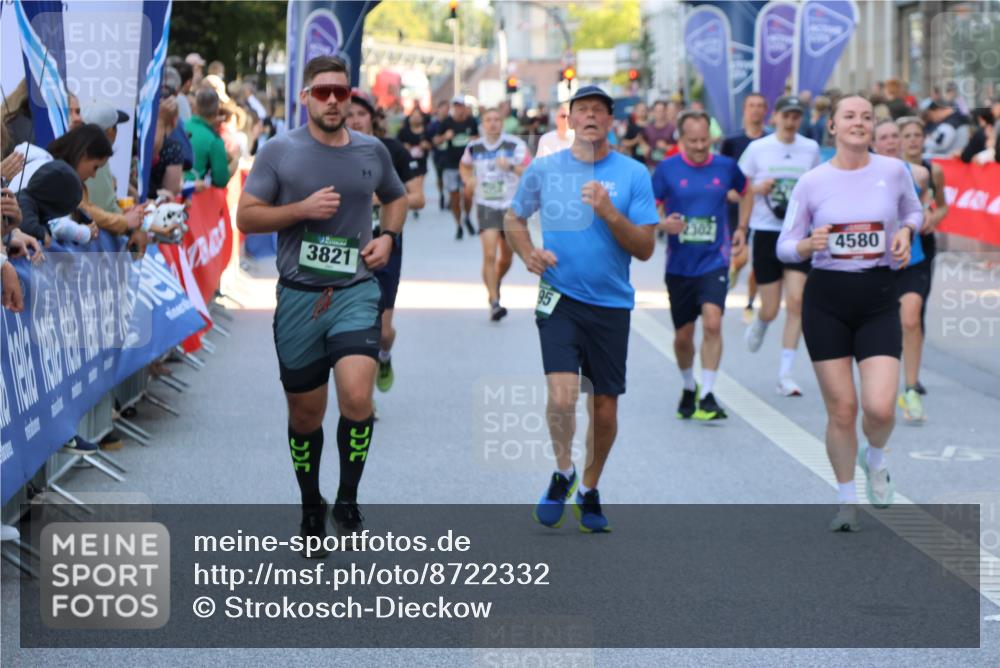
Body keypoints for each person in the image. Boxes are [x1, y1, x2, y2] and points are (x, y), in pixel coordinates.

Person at [236, 56, 407, 555]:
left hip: (355, 291)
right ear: (306, 97)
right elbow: (246, 217)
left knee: (357, 399)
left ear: (351, 97)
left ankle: (347, 499)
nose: (333, 100)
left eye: (341, 92)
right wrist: (300, 211)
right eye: (323, 92)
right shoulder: (279, 152)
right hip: (299, 297)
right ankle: (311, 502)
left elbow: (394, 197)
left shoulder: (371, 149)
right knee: (306, 414)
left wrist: (389, 236)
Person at [507, 85, 658, 533]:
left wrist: (610, 213)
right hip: (559, 299)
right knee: (561, 396)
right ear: (568, 120)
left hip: (611, 305)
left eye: (599, 110)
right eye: (582, 110)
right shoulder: (545, 169)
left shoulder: (633, 174)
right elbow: (514, 217)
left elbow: (646, 248)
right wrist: (528, 253)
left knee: (605, 409)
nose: (590, 116)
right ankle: (563, 470)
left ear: (611, 121)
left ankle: (589, 488)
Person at [777, 95, 923, 531]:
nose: (859, 122)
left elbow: (914, 210)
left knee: (879, 409)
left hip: (878, 295)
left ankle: (874, 458)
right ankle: (846, 498)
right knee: (842, 409)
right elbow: (785, 244)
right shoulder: (812, 182)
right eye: (850, 117)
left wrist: (908, 231)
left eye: (866, 117)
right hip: (828, 299)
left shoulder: (893, 172)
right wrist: (808, 245)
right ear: (834, 128)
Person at [653, 110, 750, 421]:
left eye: (704, 140)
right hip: (679, 265)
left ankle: (707, 393)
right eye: (692, 141)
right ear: (681, 139)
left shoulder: (725, 166)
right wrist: (662, 224)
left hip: (715, 259)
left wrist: (741, 229)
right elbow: (649, 208)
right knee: (683, 335)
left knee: (712, 322)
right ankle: (687, 385)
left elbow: (747, 192)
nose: (699, 146)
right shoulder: (667, 169)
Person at [738, 96, 821, 397]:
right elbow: (739, 187)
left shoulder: (810, 148)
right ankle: (762, 321)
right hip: (766, 231)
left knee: (797, 301)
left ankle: (786, 373)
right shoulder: (759, 148)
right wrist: (745, 221)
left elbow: (817, 186)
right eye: (786, 115)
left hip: (798, 233)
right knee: (771, 308)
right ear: (776, 117)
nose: (791, 121)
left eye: (797, 116)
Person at [346, 89, 425, 400]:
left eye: (361, 114)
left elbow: (417, 197)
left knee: (382, 331)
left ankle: (384, 356)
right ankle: (361, 397)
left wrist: (376, 198)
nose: (355, 120)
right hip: (345, 248)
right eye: (349, 114)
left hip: (385, 245)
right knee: (353, 326)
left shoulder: (391, 150)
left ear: (373, 117)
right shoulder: (330, 151)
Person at [897, 116, 948, 412]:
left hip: (922, 243)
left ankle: (912, 379)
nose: (914, 140)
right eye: (908, 135)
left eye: (918, 135)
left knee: (915, 310)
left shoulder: (932, 170)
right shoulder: (890, 169)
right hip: (893, 246)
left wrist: (933, 217)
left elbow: (943, 205)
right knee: (897, 312)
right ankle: (900, 372)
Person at [459, 106, 529, 320]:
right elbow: (464, 166)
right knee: (489, 254)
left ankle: (495, 281)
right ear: (482, 123)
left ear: (503, 122)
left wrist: (510, 167)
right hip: (486, 204)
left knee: (506, 257)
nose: (493, 123)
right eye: (488, 119)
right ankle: (494, 301)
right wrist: (468, 180)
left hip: (511, 206)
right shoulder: (474, 147)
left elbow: (530, 171)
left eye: (497, 119)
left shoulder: (515, 145)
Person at [721, 93, 769, 322]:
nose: (756, 110)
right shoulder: (732, 142)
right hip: (738, 209)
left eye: (760, 106)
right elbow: (723, 178)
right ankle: (733, 271)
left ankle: (749, 303)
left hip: (767, 212)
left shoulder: (772, 141)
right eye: (752, 105)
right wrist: (749, 190)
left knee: (758, 264)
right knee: (741, 259)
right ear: (745, 109)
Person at [432, 95, 479, 239]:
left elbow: (479, 139)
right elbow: (436, 141)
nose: (458, 109)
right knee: (455, 198)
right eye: (456, 106)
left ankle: (467, 217)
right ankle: (458, 225)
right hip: (451, 164)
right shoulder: (447, 122)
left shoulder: (471, 121)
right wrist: (445, 137)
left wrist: (475, 140)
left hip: (468, 166)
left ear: (465, 107)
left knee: (468, 196)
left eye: (461, 106)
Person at [186, 88, 231, 188]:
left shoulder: (180, 126)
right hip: (196, 196)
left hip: (171, 193)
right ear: (217, 110)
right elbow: (221, 180)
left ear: (195, 107)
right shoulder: (214, 140)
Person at [396, 108, 431, 219]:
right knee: (408, 185)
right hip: (407, 162)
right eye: (413, 116)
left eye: (418, 116)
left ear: (422, 118)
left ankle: (415, 203)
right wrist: (404, 147)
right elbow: (396, 145)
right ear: (409, 118)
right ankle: (412, 201)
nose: (416, 118)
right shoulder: (403, 131)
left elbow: (433, 145)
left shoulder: (426, 131)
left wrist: (427, 145)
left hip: (421, 162)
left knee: (419, 182)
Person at [426, 100, 450, 210]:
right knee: (440, 177)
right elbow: (429, 139)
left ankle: (450, 198)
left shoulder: (451, 123)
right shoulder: (433, 125)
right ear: (438, 110)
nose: (445, 112)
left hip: (450, 154)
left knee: (451, 176)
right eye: (443, 109)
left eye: (447, 109)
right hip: (438, 154)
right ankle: (441, 194)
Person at [642, 100, 676, 169]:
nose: (659, 113)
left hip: (668, 165)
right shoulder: (648, 128)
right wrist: (644, 146)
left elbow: (680, 147)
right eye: (656, 111)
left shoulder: (672, 128)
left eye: (661, 111)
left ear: (665, 112)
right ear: (653, 112)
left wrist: (666, 147)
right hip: (651, 165)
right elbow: (642, 140)